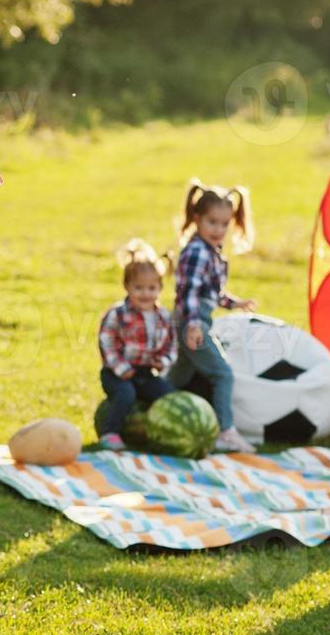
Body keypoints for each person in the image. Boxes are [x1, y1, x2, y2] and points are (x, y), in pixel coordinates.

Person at [165, 180, 260, 453]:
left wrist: (235, 302)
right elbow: (189, 293)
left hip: (195, 322)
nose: (219, 230)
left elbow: (212, 293)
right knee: (222, 374)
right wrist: (194, 325)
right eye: (212, 222)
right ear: (197, 219)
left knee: (178, 377)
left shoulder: (210, 252)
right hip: (192, 323)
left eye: (224, 223)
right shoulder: (197, 251)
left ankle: (148, 406)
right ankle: (226, 431)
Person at [94, 239, 176, 451]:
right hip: (116, 372)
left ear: (160, 288)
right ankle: (110, 432)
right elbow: (107, 342)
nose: (145, 294)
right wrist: (122, 369)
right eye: (138, 288)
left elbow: (170, 344)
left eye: (151, 288)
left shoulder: (162, 316)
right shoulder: (118, 314)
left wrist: (163, 361)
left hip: (146, 371)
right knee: (125, 394)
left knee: (167, 393)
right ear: (127, 286)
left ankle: (161, 434)